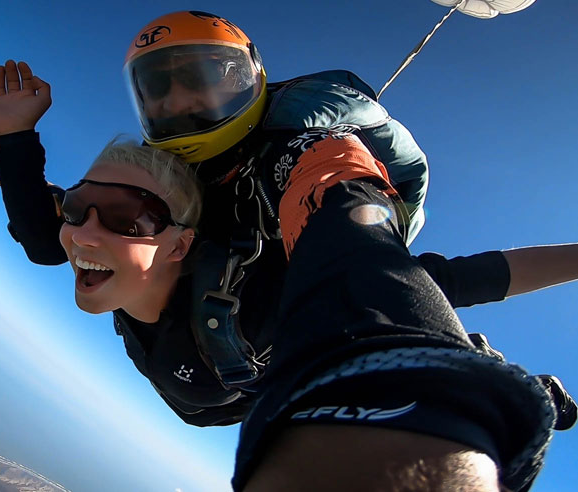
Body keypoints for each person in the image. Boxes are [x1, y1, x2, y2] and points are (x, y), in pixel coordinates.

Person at [49, 136, 561, 491]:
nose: (85, 234)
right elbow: (39, 226)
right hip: (210, 399)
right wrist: (13, 134)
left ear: (182, 245)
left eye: (126, 220)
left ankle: (488, 375)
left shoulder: (257, 294)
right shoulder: (98, 256)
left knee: (390, 335)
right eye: (77, 207)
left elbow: (442, 280)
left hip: (269, 384)